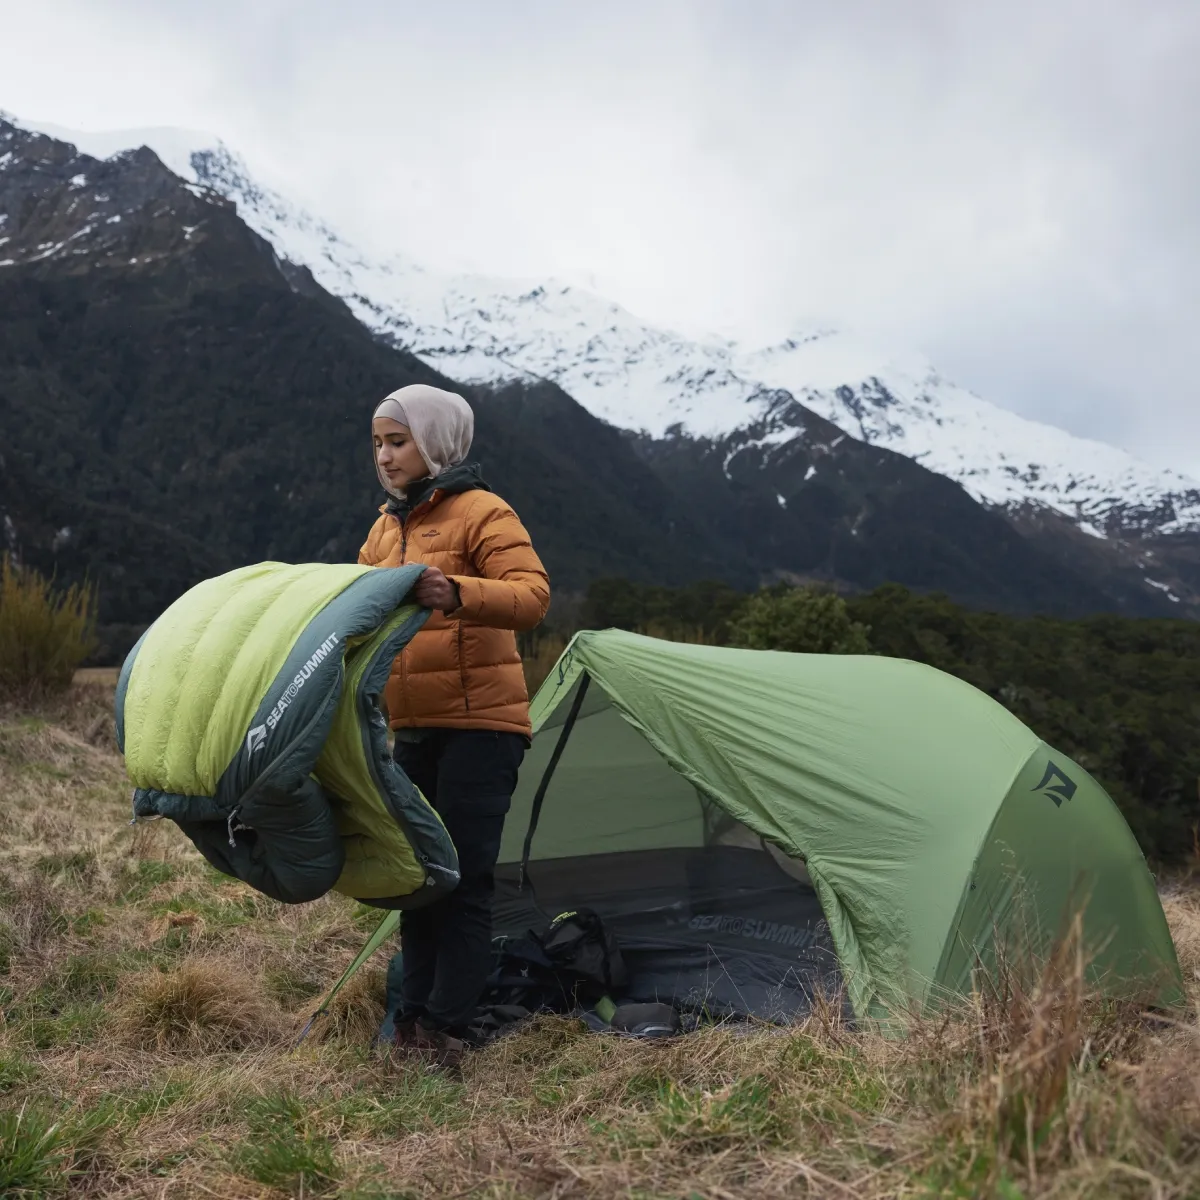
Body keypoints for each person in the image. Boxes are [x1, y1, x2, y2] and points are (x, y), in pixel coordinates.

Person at [358, 383, 550, 1067]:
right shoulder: (385, 529)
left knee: (464, 882)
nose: (384, 456)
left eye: (398, 441)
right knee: (419, 878)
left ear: (434, 442)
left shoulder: (482, 511)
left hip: (482, 728)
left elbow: (532, 597)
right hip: (411, 731)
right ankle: (410, 1020)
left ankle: (448, 1029)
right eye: (379, 442)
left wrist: (457, 591)